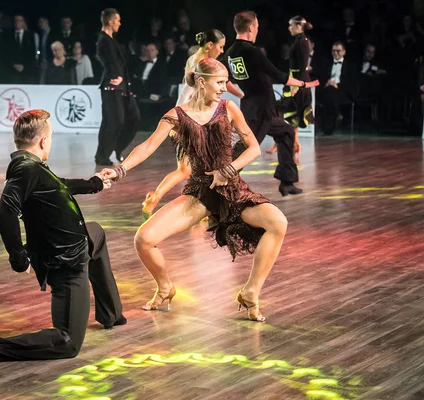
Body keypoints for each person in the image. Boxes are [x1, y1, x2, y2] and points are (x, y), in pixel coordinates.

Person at [103, 58, 288, 321]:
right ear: (202, 82)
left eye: (226, 82)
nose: (225, 87)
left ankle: (250, 293)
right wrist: (120, 170)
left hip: (232, 190)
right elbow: (147, 146)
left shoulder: (229, 108)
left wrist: (229, 170)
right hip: (199, 194)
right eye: (220, 82)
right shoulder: (177, 116)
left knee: (278, 223)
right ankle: (165, 287)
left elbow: (254, 148)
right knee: (143, 239)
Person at [0, 110, 126, 365]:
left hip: (76, 242)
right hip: (66, 264)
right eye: (51, 138)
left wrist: (95, 183)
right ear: (43, 141)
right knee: (67, 342)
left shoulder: (33, 167)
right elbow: (5, 212)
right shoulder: (25, 170)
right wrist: (18, 257)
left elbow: (60, 185)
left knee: (97, 234)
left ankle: (111, 314)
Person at [142, 29, 244, 218]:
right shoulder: (203, 64)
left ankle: (156, 198)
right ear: (210, 45)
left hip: (183, 116)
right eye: (220, 47)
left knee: (184, 169)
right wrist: (240, 94)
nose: (221, 51)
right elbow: (214, 85)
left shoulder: (195, 59)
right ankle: (198, 207)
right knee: (192, 168)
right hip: (191, 119)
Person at [224, 11, 318, 196]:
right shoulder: (252, 52)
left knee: (286, 132)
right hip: (261, 110)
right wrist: (304, 83)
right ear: (251, 28)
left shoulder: (230, 53)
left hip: (257, 107)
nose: (257, 30)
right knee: (247, 148)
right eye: (257, 27)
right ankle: (223, 183)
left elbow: (224, 75)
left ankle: (287, 181)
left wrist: (241, 93)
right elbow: (277, 74)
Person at [95, 8, 141, 166]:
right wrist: (115, 75)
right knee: (113, 121)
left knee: (134, 117)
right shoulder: (103, 40)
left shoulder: (113, 40)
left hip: (125, 86)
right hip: (112, 86)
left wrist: (122, 77)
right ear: (110, 21)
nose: (120, 23)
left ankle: (118, 147)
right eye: (118, 20)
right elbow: (106, 60)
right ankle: (102, 155)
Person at [268, 16, 315, 155]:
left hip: (298, 81)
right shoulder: (298, 41)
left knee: (289, 112)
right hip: (294, 79)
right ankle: (294, 143)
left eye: (291, 25)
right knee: (290, 114)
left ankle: (290, 143)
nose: (289, 28)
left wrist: (296, 86)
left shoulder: (303, 42)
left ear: (299, 26)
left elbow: (301, 65)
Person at [319, 42, 357, 136]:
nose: (335, 53)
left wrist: (337, 85)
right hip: (327, 90)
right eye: (333, 51)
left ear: (344, 52)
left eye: (338, 51)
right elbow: (320, 78)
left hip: (342, 92)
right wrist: (327, 83)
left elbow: (352, 83)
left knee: (330, 94)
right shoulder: (326, 63)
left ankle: (327, 127)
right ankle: (336, 114)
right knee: (329, 92)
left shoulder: (350, 65)